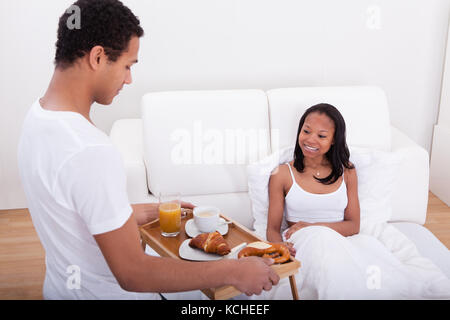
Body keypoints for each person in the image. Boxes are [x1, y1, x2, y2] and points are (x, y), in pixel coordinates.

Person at [17, 0, 278, 300]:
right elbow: (133, 273)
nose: (129, 78)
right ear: (98, 57)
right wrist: (232, 271)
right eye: (127, 66)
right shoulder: (90, 151)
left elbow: (71, 213)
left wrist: (145, 212)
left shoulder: (37, 118)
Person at [267, 103, 360, 251]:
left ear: (334, 139)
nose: (310, 140)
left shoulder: (348, 171)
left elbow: (354, 226)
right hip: (301, 245)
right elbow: (272, 229)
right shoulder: (281, 174)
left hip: (340, 245)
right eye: (306, 131)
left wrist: (312, 227)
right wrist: (281, 248)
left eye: (321, 136)